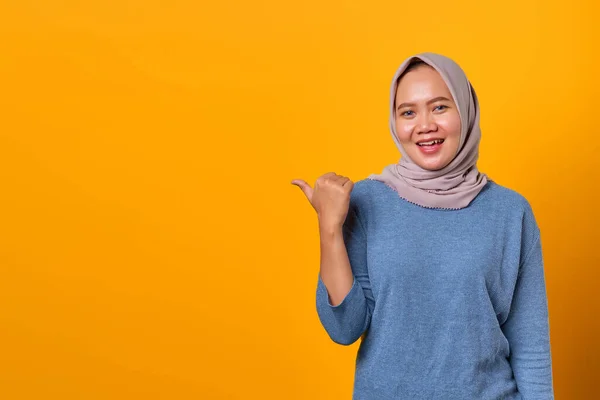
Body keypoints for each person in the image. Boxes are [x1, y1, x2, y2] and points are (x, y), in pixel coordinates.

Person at [291, 52, 554, 399]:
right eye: (408, 112)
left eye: (440, 107)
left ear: (466, 110)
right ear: (395, 122)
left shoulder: (510, 212)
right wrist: (329, 227)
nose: (424, 124)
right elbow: (344, 327)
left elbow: (531, 346)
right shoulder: (366, 201)